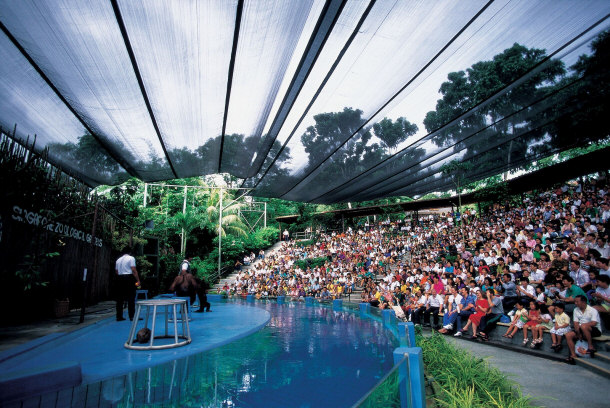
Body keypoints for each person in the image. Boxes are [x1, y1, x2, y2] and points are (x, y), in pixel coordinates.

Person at [565, 295, 602, 364]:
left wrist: (582, 326)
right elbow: (575, 323)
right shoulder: (576, 310)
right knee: (568, 335)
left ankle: (590, 347)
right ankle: (573, 355)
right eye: (575, 301)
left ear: (583, 302)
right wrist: (578, 333)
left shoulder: (592, 310)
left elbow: (594, 323)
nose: (575, 303)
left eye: (577, 302)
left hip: (594, 329)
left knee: (584, 326)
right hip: (581, 329)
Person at [115, 248, 141, 321]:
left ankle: (119, 316)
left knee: (120, 298)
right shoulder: (131, 258)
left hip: (120, 278)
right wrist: (138, 280)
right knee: (131, 297)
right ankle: (132, 316)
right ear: (130, 252)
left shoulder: (118, 260)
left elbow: (116, 271)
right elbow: (133, 270)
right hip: (128, 277)